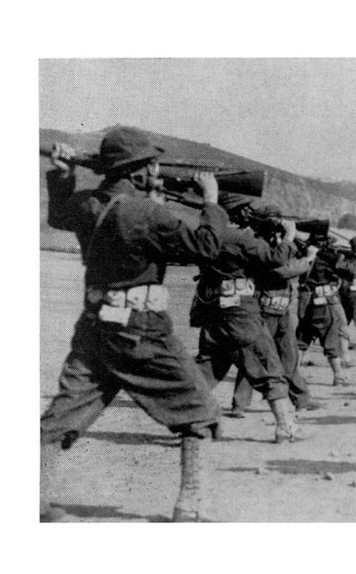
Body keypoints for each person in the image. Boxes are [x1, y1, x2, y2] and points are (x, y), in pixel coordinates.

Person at [41, 127, 226, 522]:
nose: (156, 168)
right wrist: (211, 202)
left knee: (62, 415)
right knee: (199, 408)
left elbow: (58, 215)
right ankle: (188, 506)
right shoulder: (146, 211)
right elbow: (207, 247)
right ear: (137, 171)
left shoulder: (88, 204)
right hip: (143, 331)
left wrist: (61, 174)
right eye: (150, 163)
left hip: (95, 327)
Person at [191, 194, 305, 444]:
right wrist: (287, 237)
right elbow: (274, 260)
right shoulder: (240, 237)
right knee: (267, 365)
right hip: (241, 313)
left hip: (212, 310)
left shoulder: (206, 234)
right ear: (241, 214)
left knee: (207, 368)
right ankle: (285, 427)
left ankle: (196, 424)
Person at [229, 206, 323, 417]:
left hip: (281, 311)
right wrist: (307, 260)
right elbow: (280, 271)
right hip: (263, 310)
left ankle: (301, 398)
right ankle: (239, 404)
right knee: (254, 358)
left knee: (289, 357)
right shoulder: (258, 245)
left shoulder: (276, 245)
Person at [298, 235, 353, 386]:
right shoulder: (325, 259)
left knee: (302, 339)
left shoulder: (303, 256)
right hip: (323, 303)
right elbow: (349, 271)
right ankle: (338, 375)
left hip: (304, 302)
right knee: (330, 338)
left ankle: (294, 375)